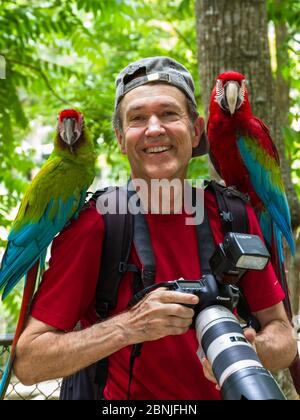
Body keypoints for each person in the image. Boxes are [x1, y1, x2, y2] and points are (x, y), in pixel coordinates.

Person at [13, 57, 297, 400]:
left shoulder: (234, 214)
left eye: (168, 114)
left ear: (196, 131)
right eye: (137, 118)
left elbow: (283, 336)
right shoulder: (95, 224)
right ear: (121, 139)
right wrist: (128, 327)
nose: (154, 129)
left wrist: (248, 350)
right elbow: (28, 362)